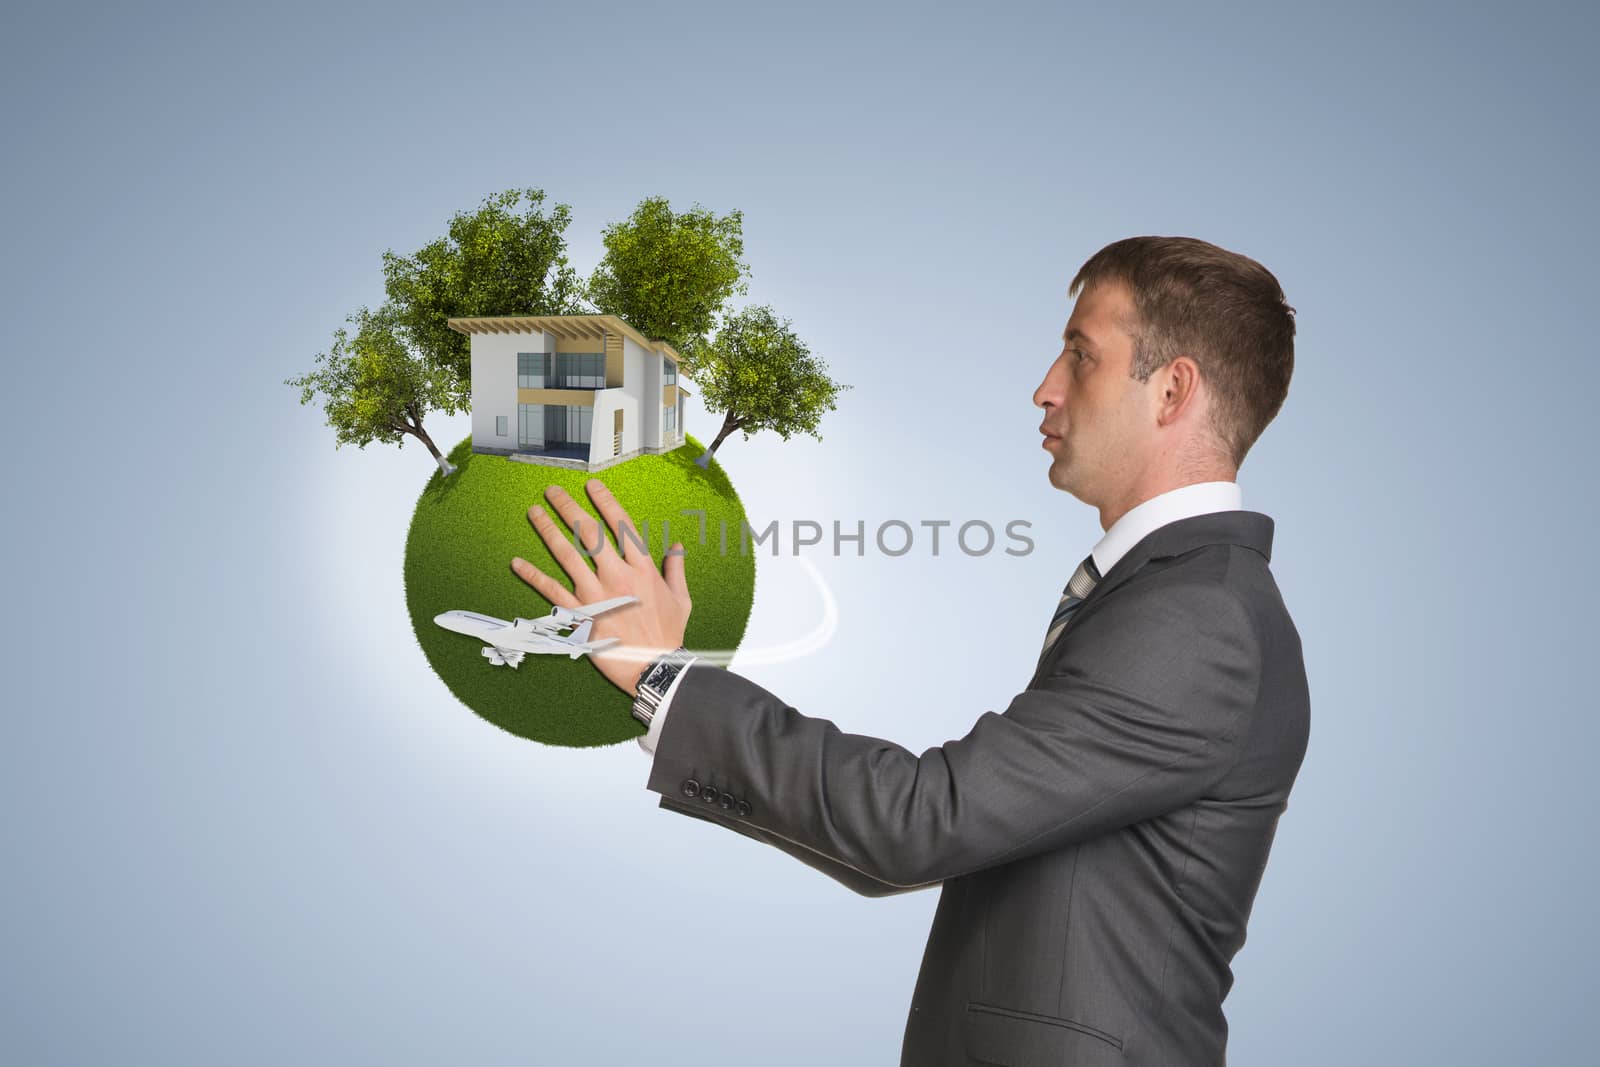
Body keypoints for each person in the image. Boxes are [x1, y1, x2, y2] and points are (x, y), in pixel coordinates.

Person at [510, 236, 1309, 1065]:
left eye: (1081, 355)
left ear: (1173, 389)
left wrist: (662, 676)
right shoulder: (1173, 597)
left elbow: (919, 822)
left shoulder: (1199, 617)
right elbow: (917, 850)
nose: (1045, 388)